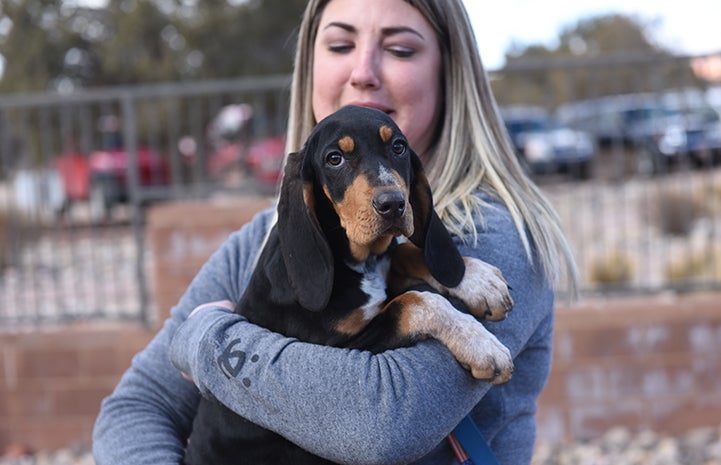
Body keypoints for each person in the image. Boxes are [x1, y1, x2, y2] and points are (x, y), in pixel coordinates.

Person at [92, 0, 579, 464]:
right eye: (340, 45)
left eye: (400, 49)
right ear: (309, 67)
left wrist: (206, 342)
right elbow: (135, 409)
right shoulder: (265, 239)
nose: (363, 71)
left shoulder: (497, 233)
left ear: (449, 73)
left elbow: (386, 423)